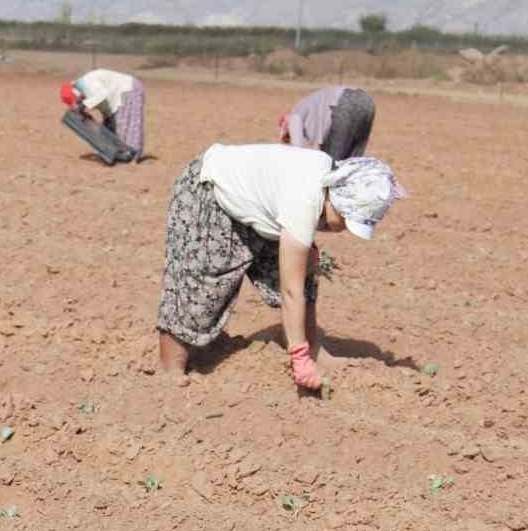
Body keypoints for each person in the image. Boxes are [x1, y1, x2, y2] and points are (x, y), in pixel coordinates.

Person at [155, 145, 404, 390]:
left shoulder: (325, 180)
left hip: (256, 210)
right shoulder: (304, 200)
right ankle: (170, 368)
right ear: (339, 197)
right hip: (209, 192)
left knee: (307, 271)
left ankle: (314, 348)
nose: (344, 229)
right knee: (201, 287)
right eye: (346, 220)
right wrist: (299, 357)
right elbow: (290, 291)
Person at [60, 68, 146, 160]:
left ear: (75, 94)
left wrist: (82, 106)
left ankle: (132, 154)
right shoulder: (83, 89)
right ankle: (118, 153)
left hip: (128, 89)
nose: (78, 102)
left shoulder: (88, 82)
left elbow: (102, 95)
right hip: (117, 97)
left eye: (76, 101)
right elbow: (105, 104)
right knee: (109, 126)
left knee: (126, 124)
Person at [278, 86, 375, 162]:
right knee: (353, 165)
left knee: (330, 166)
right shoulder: (310, 112)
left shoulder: (295, 114)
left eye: (288, 136)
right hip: (367, 102)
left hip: (345, 101)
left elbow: (297, 152)